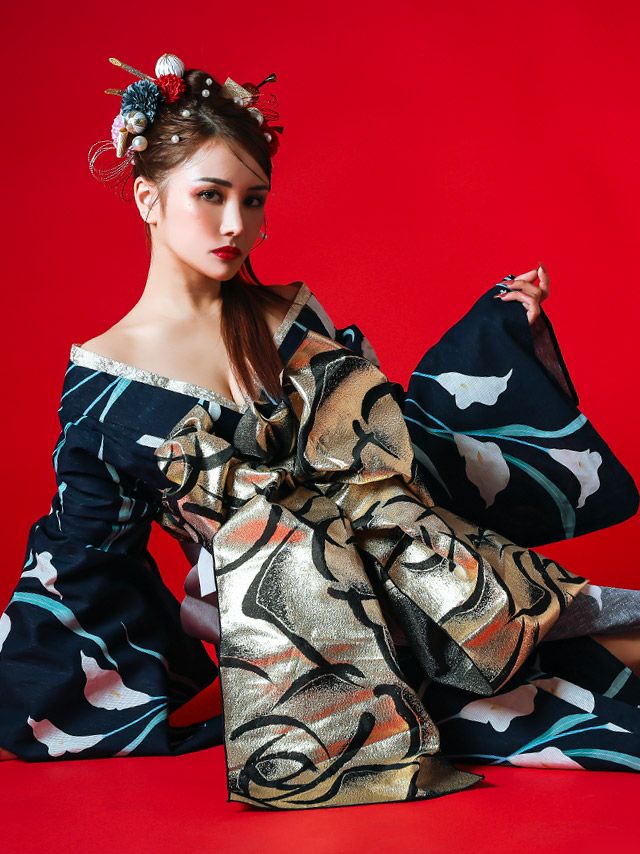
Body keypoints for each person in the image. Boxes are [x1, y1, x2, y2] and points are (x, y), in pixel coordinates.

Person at [1, 53, 638, 810]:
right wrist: (34, 693)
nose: (236, 224)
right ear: (148, 197)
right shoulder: (104, 384)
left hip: (431, 575)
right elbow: (85, 554)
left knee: (603, 634)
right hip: (303, 643)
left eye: (253, 199)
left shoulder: (291, 318)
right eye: (210, 195)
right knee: (563, 696)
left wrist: (497, 332)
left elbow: (398, 445)